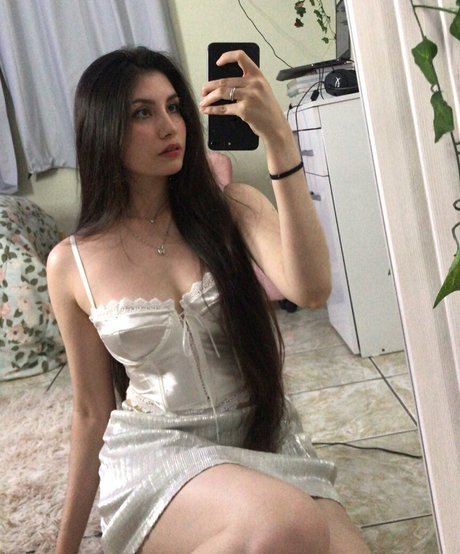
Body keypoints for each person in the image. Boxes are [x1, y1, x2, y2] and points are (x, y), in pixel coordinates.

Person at [47, 46, 369, 553]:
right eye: (142, 113)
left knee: (318, 538)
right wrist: (64, 547)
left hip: (261, 435)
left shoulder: (234, 209)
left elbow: (311, 290)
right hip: (159, 454)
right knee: (286, 523)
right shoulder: (72, 263)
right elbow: (91, 411)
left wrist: (279, 140)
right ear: (102, 129)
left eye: (175, 107)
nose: (170, 127)